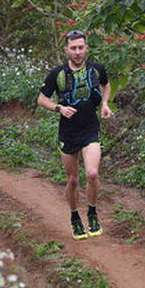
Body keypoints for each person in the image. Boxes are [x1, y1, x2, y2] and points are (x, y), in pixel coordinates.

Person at [38, 30, 112, 240]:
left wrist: (105, 104)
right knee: (72, 180)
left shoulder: (97, 69)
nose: (77, 52)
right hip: (68, 131)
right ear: (66, 50)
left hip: (90, 128)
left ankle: (92, 211)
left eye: (81, 47)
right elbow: (41, 99)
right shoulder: (57, 74)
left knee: (92, 174)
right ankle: (74, 216)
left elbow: (106, 85)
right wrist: (58, 108)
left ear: (86, 48)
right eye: (73, 48)